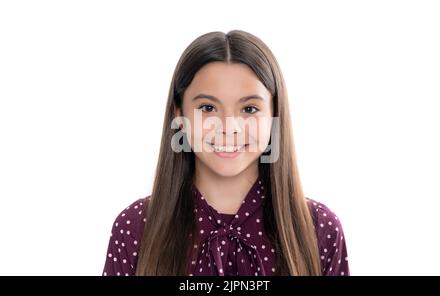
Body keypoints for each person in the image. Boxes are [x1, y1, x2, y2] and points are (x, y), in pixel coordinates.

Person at [102, 30, 350, 276]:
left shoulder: (319, 229)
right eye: (208, 108)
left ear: (274, 115)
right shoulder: (135, 227)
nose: (229, 128)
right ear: (179, 116)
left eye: (249, 109)